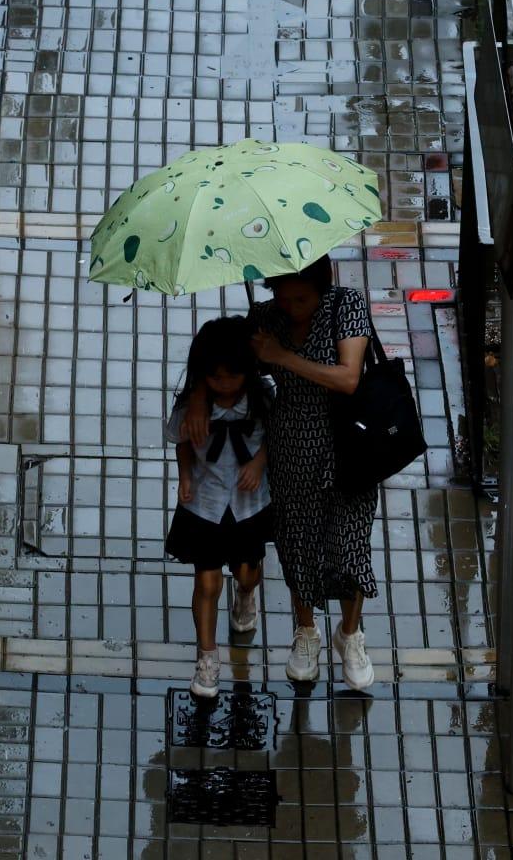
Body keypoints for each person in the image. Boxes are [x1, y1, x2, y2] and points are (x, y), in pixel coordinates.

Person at [185, 256, 378, 690]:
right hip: (291, 447)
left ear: (321, 287)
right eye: (283, 297)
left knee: (350, 545)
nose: (291, 306)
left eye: (301, 298)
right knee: (297, 544)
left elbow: (348, 378)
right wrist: (198, 395)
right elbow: (220, 357)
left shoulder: (346, 305)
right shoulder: (266, 317)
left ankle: (350, 634)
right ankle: (305, 633)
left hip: (349, 445)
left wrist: (282, 357)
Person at [164, 316, 273, 698]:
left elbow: (277, 436)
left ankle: (245, 596)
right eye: (214, 377)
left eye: (232, 376)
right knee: (206, 580)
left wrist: (259, 463)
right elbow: (180, 440)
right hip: (205, 505)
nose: (224, 384)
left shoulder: (263, 398)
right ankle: (207, 657)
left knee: (247, 573)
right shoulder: (191, 405)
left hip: (248, 504)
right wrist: (185, 476)